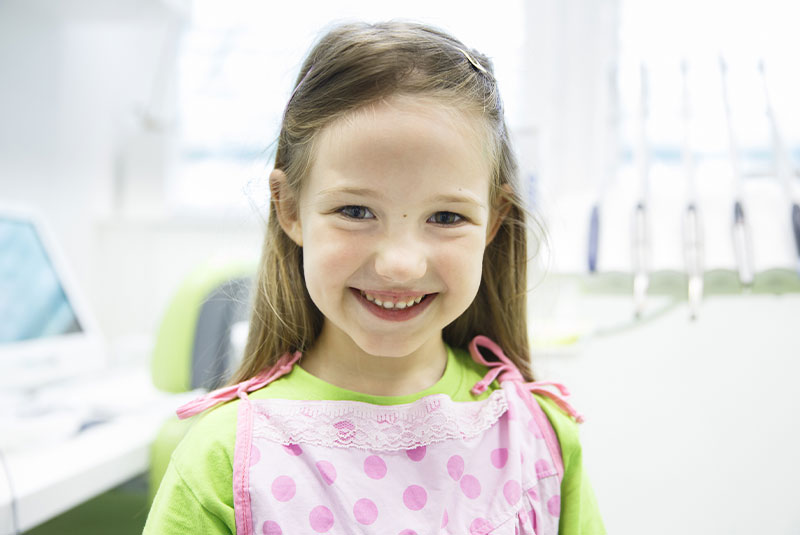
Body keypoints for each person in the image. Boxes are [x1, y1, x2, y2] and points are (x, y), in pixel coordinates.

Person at [144, 20, 605, 535]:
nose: (400, 264)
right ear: (291, 209)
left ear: (493, 222)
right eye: (356, 211)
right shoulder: (224, 459)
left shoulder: (540, 440)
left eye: (447, 217)